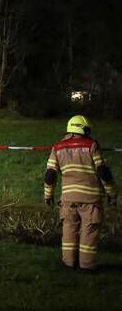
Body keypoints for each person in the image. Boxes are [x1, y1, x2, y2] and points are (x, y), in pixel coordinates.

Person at [44, 115, 117, 272]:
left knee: (69, 231)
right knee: (89, 232)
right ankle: (87, 267)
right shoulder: (92, 145)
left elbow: (50, 174)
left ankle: (69, 265)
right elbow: (103, 171)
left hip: (68, 199)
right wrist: (112, 193)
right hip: (90, 199)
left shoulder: (57, 147)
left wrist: (48, 195)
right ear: (84, 129)